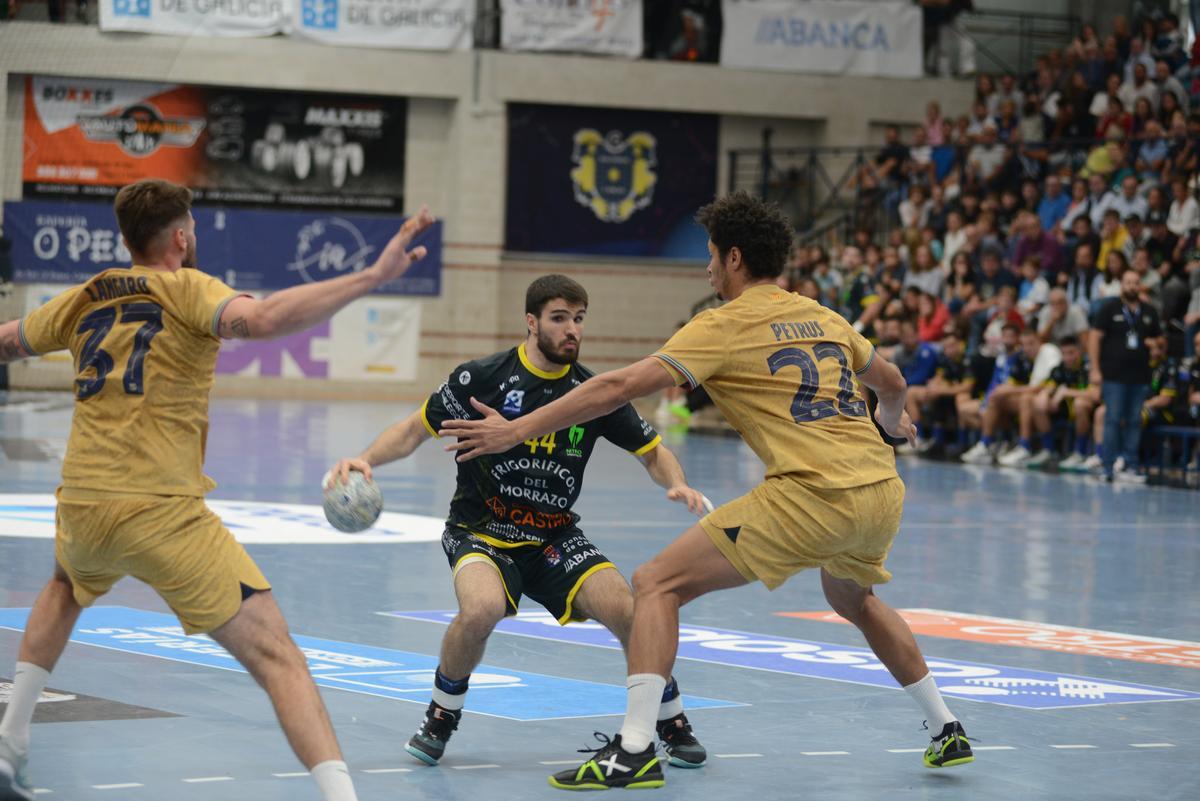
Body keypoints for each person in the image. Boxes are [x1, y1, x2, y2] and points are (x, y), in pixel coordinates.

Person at [439, 192, 974, 789]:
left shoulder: (723, 324)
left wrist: (517, 429)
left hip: (813, 495)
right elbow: (893, 381)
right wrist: (889, 419)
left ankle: (634, 749)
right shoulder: (823, 315)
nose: (708, 269)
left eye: (713, 257)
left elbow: (615, 387)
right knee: (855, 601)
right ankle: (946, 729)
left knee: (654, 584)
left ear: (736, 259)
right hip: (881, 490)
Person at [0, 179, 436, 801]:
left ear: (125, 239)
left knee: (66, 586)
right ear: (180, 237)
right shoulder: (189, 289)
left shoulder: (85, 296)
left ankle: (9, 746)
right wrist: (370, 276)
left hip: (84, 504)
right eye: (193, 229)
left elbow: (8, 340)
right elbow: (264, 318)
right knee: (278, 656)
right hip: (161, 512)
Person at [326, 274, 709, 770]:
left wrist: (675, 481)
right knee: (481, 610)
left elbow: (653, 453)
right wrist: (364, 458)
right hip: (481, 531)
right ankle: (442, 713)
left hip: (553, 534)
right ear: (531, 322)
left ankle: (671, 719)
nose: (572, 330)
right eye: (559, 318)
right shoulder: (483, 377)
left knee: (632, 613)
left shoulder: (591, 392)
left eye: (578, 319)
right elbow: (412, 430)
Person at [1089, 266, 1164, 482]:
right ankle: (1108, 467)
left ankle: (1130, 465)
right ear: (1121, 285)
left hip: (1140, 376)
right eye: (1128, 282)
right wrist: (1095, 368)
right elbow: (1094, 338)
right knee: (1112, 419)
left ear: (1140, 285)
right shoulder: (1109, 308)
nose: (1132, 286)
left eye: (1135, 282)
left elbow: (1160, 340)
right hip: (1114, 376)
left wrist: (1155, 342)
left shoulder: (1149, 311)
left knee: (1134, 420)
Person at [1001, 335, 1096, 468]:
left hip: (1088, 411)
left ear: (1079, 351)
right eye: (1064, 354)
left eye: (1071, 353)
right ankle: (1048, 450)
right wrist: (1045, 395)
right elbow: (1049, 387)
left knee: (1080, 403)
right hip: (1064, 410)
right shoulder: (1059, 369)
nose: (1067, 358)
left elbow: (1095, 395)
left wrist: (1066, 392)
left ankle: (1080, 453)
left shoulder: (1089, 367)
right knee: (1037, 402)